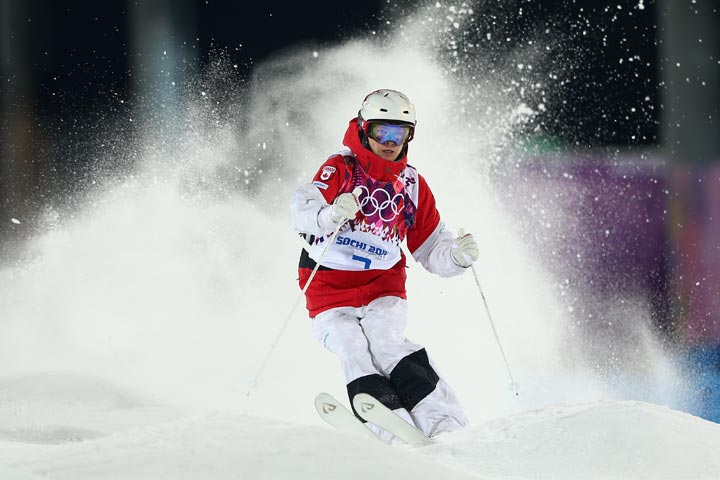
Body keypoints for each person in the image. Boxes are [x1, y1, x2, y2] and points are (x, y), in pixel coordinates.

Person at [290, 89, 479, 440]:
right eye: (382, 132)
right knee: (350, 344)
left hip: (383, 284)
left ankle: (443, 422)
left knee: (386, 342)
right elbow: (301, 209)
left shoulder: (411, 184)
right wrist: (329, 214)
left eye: (400, 133)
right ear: (364, 129)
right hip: (329, 284)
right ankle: (389, 424)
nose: (391, 142)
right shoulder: (341, 168)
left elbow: (431, 244)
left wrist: (456, 257)